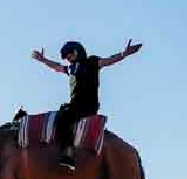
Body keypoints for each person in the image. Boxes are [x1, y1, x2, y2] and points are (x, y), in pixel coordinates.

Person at [31, 39, 143, 170]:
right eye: (66, 57)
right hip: (74, 106)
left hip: (87, 106)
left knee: (64, 119)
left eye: (69, 55)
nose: (68, 58)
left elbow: (109, 61)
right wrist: (43, 60)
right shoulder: (72, 69)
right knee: (57, 115)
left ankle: (68, 155)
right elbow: (56, 67)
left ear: (77, 52)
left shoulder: (92, 62)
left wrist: (124, 53)